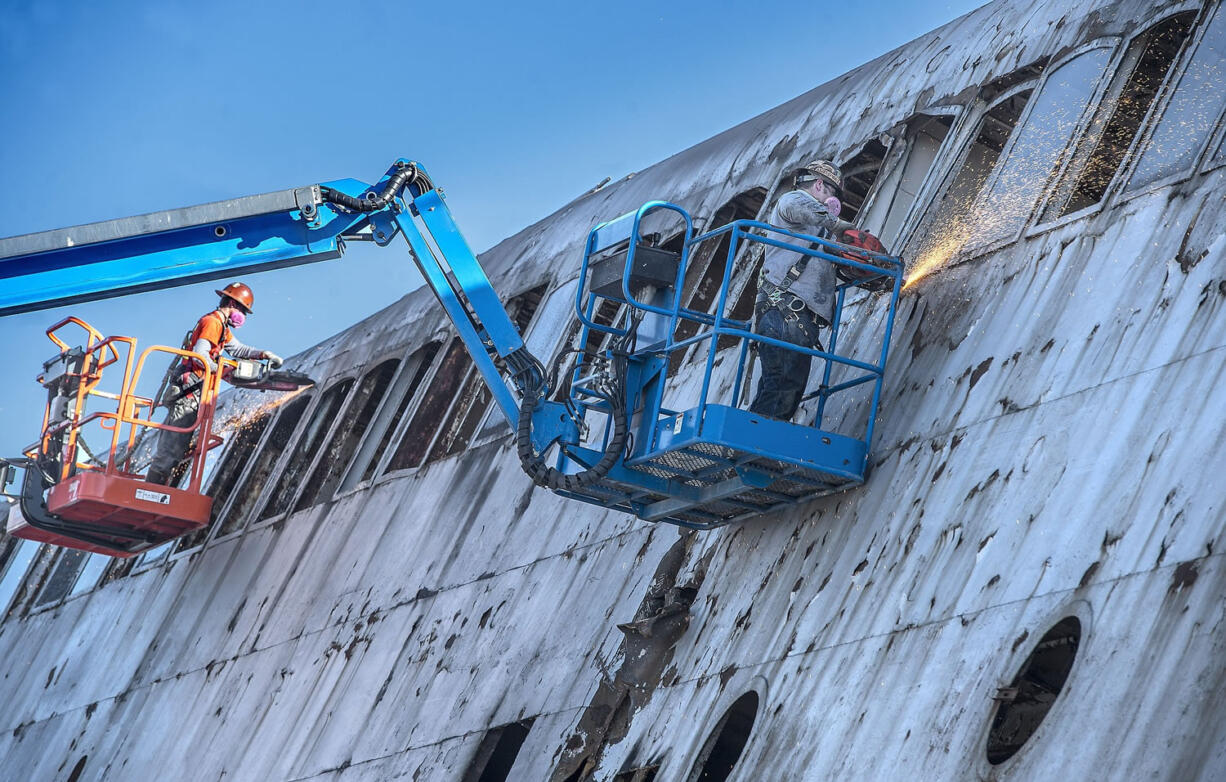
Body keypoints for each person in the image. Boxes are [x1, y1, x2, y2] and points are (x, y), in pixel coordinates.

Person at [146, 282, 283, 485]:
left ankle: (157, 487)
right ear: (231, 304)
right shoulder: (213, 322)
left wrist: (263, 354)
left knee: (179, 444)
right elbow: (200, 354)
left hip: (195, 391)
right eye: (242, 310)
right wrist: (220, 369)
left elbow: (238, 349)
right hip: (188, 392)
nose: (243, 315)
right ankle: (151, 489)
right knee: (172, 448)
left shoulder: (222, 327)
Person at [749, 160, 852, 420]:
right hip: (784, 310)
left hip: (798, 317)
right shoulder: (792, 201)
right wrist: (846, 229)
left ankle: (753, 440)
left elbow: (831, 263)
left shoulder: (819, 232)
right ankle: (757, 446)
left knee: (783, 384)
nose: (833, 204)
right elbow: (806, 210)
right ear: (819, 184)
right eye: (832, 194)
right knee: (783, 382)